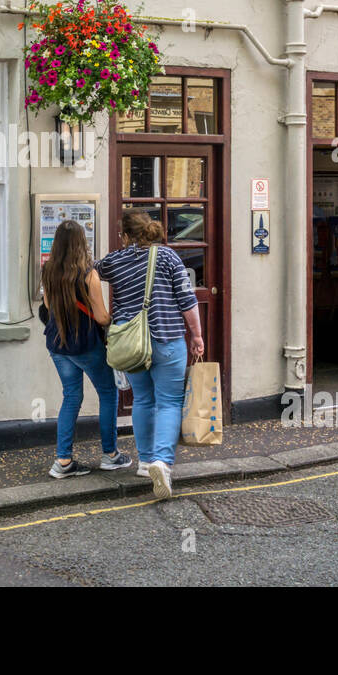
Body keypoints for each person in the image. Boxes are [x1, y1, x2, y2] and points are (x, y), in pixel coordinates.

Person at [97, 210, 204, 499]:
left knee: (142, 399)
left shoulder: (115, 260)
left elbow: (89, 275)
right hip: (167, 340)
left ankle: (145, 462)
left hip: (132, 344)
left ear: (126, 235)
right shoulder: (168, 257)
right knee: (169, 403)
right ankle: (162, 462)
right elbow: (187, 299)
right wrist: (196, 335)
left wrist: (103, 315)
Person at [40, 219, 132, 478]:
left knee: (71, 397)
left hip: (58, 343)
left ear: (57, 244)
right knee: (108, 393)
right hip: (86, 344)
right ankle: (111, 455)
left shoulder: (48, 270)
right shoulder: (88, 274)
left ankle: (64, 460)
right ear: (82, 243)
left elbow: (48, 306)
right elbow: (101, 317)